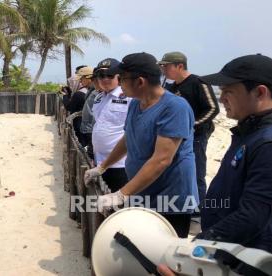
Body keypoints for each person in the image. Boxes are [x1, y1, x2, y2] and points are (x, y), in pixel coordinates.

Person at [158, 54, 272, 275]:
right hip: (229, 252)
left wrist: (197, 245)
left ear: (259, 92)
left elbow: (254, 216)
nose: (222, 99)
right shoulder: (248, 133)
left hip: (250, 259)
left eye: (228, 91)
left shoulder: (266, 142)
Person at [84, 53, 199, 238]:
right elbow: (128, 139)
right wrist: (102, 167)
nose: (119, 83)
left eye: (122, 79)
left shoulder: (175, 107)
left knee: (164, 253)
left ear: (140, 82)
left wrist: (121, 194)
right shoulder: (136, 104)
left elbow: (162, 159)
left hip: (170, 197)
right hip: (142, 190)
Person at [159, 52, 220, 208]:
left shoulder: (199, 82)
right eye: (162, 67)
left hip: (197, 136)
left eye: (166, 66)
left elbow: (213, 108)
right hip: (177, 137)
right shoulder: (171, 87)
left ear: (179, 66)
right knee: (178, 172)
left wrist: (192, 125)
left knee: (197, 173)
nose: (163, 70)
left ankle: (199, 211)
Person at [90, 58, 131, 192]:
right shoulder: (99, 97)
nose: (105, 79)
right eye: (101, 75)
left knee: (120, 205)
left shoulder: (128, 97)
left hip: (120, 163)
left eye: (110, 75)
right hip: (99, 161)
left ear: (119, 76)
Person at [62, 66, 93, 145]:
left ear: (89, 78)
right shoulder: (93, 92)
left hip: (82, 125)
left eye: (81, 79)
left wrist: (65, 96)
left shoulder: (79, 94)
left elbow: (69, 107)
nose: (80, 81)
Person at [80, 68, 102, 160]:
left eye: (82, 78)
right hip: (88, 128)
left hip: (92, 129)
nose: (80, 81)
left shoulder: (97, 92)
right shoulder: (91, 90)